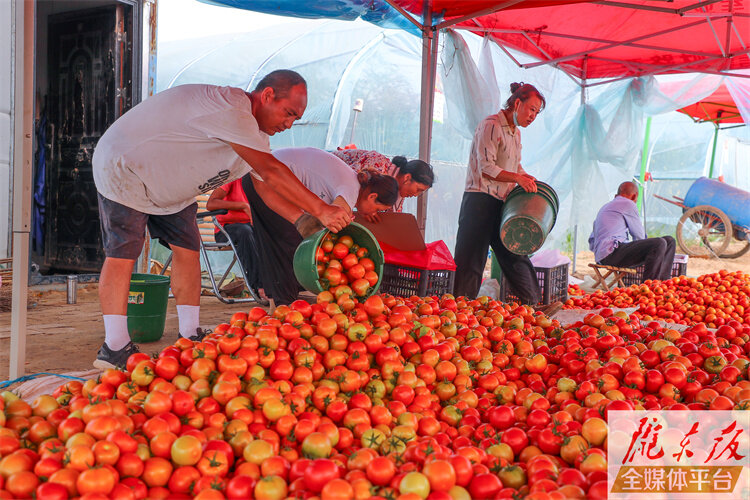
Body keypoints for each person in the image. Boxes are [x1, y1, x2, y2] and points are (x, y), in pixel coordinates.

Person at [92, 70, 351, 369]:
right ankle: (114, 347)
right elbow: (271, 172)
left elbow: (267, 188)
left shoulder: (255, 139)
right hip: (126, 165)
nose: (289, 124)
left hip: (173, 185)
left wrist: (302, 221)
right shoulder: (232, 109)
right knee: (123, 253)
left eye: (296, 119)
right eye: (288, 113)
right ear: (267, 96)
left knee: (188, 250)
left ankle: (190, 335)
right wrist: (322, 209)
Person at [236, 147, 399, 306]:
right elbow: (333, 225)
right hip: (269, 176)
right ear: (372, 196)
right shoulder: (351, 190)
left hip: (257, 173)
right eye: (378, 209)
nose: (375, 213)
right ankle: (283, 306)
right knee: (289, 244)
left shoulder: (351, 181)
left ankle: (276, 304)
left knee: (272, 243)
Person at [453, 82, 560, 315]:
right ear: (517, 103)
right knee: (472, 257)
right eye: (531, 109)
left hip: (501, 201)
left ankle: (535, 305)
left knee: (514, 251)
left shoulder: (515, 132)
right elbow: (486, 167)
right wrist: (516, 178)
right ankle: (459, 309)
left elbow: (513, 164)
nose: (533, 116)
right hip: (479, 200)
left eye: (536, 112)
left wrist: (524, 175)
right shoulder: (491, 125)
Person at [589, 181, 676, 280]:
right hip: (611, 254)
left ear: (616, 195)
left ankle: (662, 284)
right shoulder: (628, 204)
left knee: (669, 241)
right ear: (635, 196)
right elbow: (639, 236)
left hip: (604, 255)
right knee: (659, 243)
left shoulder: (607, 206)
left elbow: (592, 240)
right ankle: (650, 286)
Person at [332, 149, 434, 218]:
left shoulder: (397, 198)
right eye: (418, 189)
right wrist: (365, 210)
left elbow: (393, 220)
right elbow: (347, 186)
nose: (416, 195)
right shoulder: (377, 163)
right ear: (407, 178)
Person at [204, 178, 262, 296]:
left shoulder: (261, 181)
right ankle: (259, 286)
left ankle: (284, 283)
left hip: (249, 229)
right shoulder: (233, 177)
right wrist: (243, 206)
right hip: (225, 231)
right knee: (245, 231)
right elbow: (211, 204)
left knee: (271, 232)